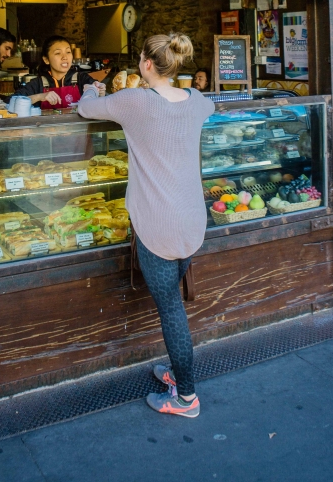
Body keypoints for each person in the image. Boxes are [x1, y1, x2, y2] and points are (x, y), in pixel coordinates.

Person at [78, 32, 214, 418]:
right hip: (192, 219)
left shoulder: (134, 100)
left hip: (157, 222)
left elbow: (87, 110)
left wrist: (92, 88)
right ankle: (177, 372)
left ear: (147, 64)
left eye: (140, 58)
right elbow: (208, 107)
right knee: (172, 302)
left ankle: (186, 398)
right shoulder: (196, 102)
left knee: (171, 308)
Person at [17, 35, 97, 108]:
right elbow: (10, 102)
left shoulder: (82, 79)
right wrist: (39, 97)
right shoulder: (38, 84)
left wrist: (99, 91)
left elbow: (98, 101)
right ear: (46, 59)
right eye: (58, 53)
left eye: (68, 52)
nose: (65, 57)